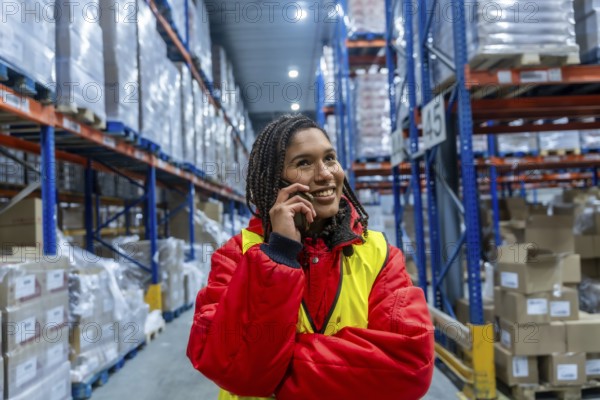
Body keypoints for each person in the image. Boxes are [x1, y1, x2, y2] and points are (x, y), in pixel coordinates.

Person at [187, 114, 435, 399]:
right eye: (303, 163)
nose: (325, 174)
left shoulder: (379, 254)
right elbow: (228, 366)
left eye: (329, 158)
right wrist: (279, 255)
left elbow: (411, 366)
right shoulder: (236, 255)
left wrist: (277, 368)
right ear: (273, 180)